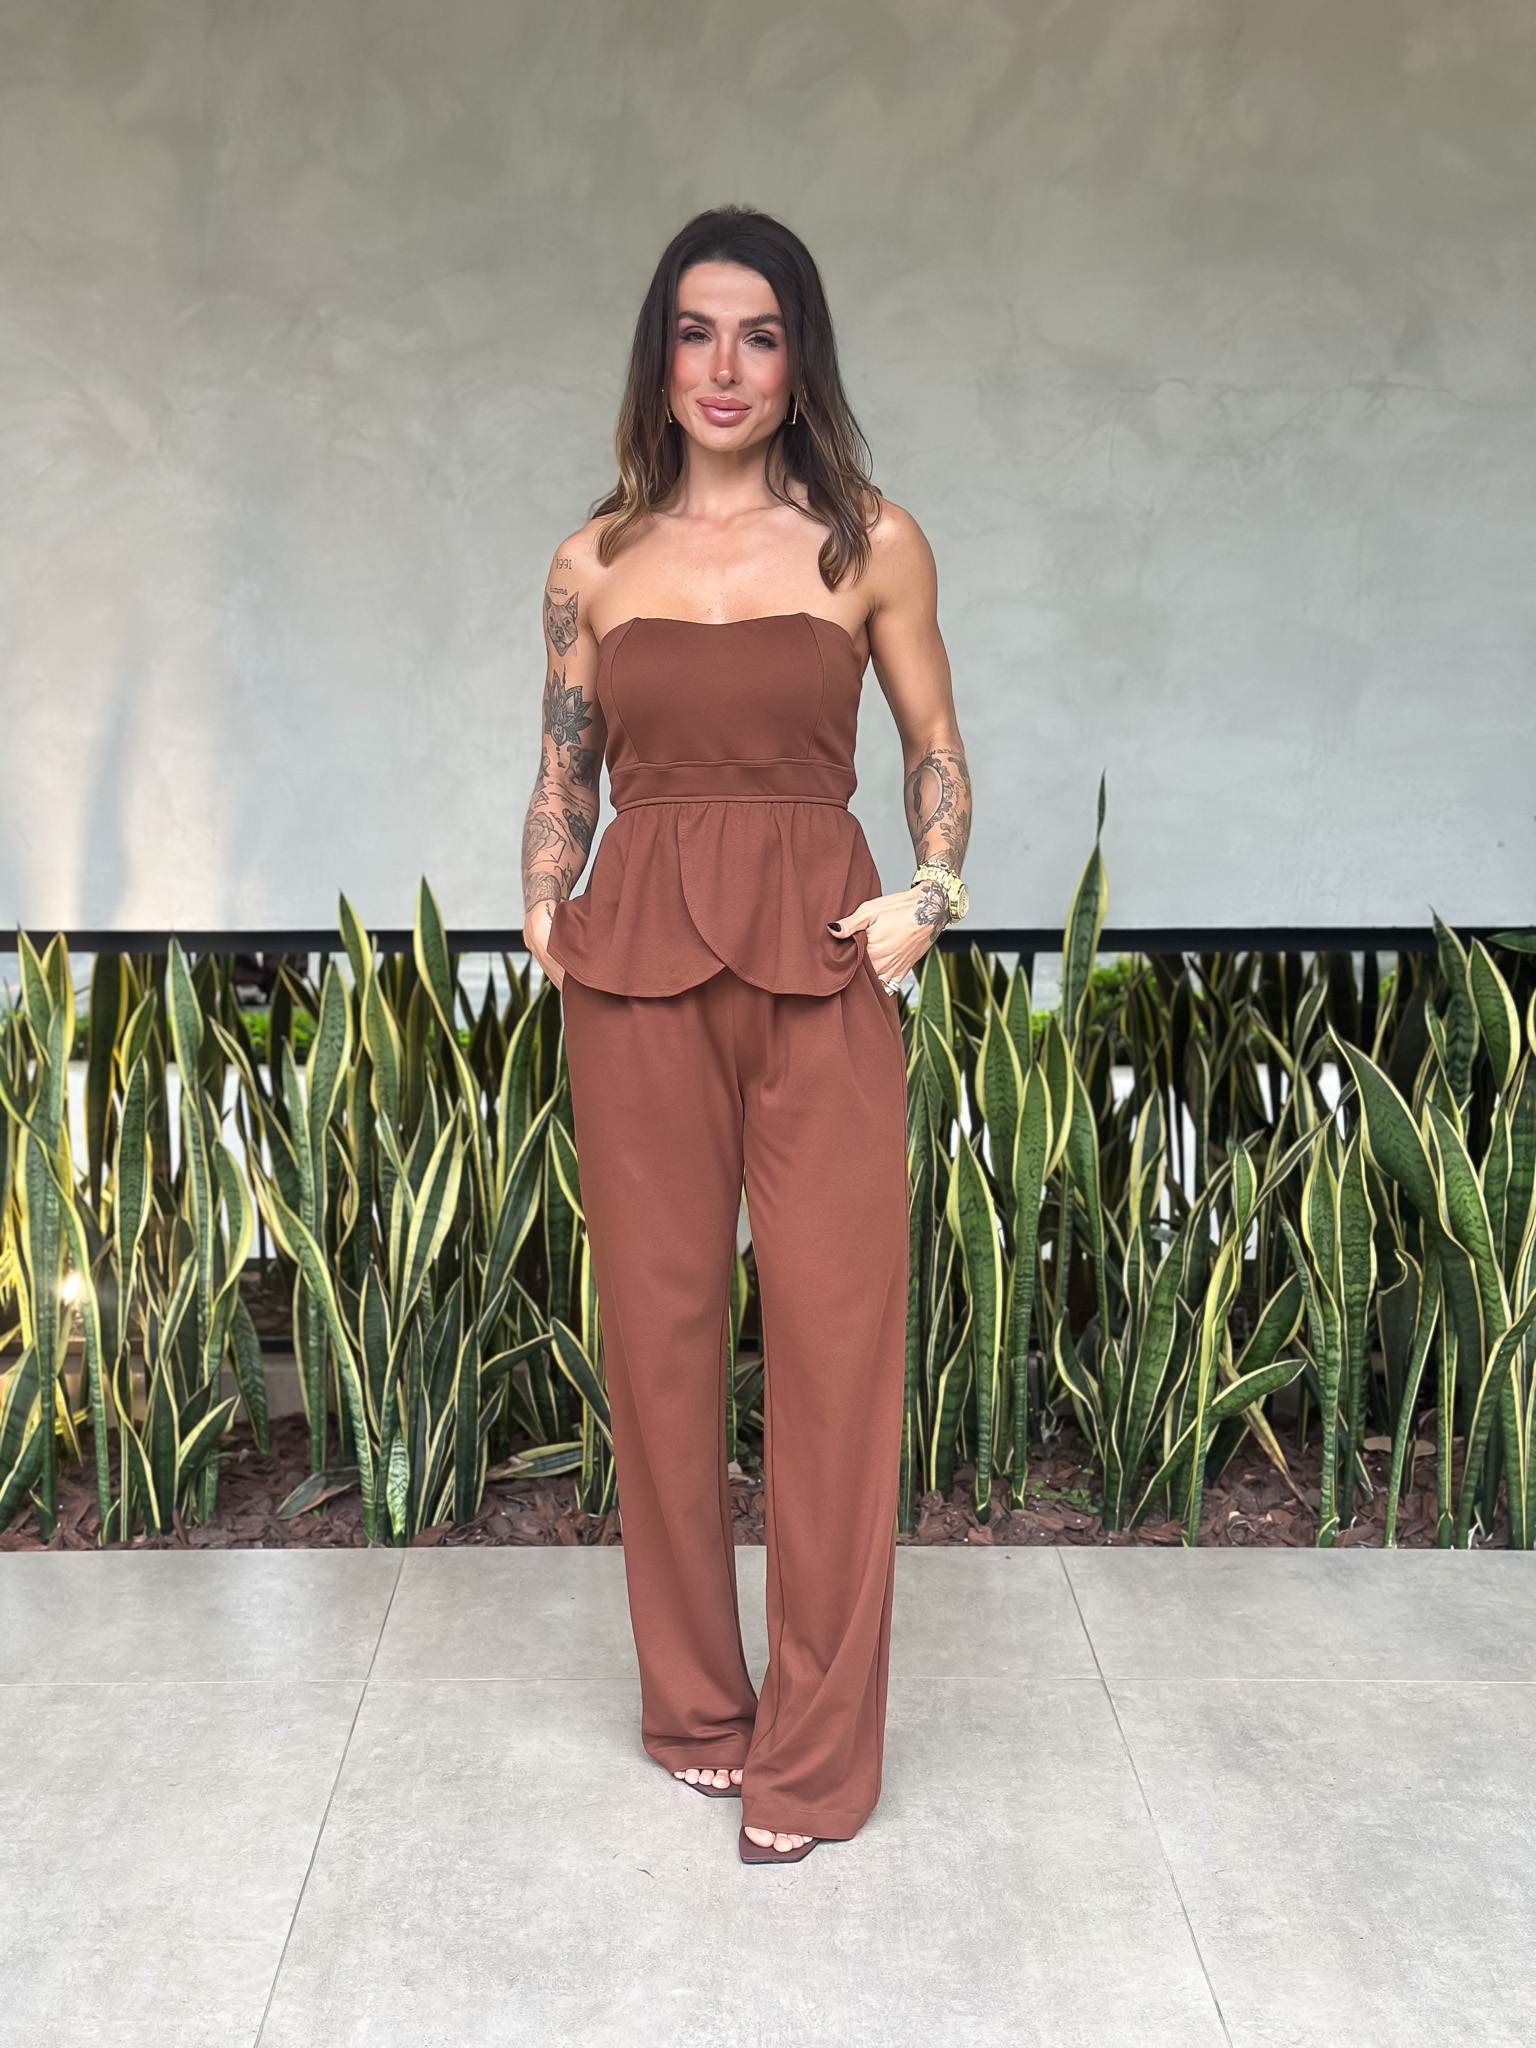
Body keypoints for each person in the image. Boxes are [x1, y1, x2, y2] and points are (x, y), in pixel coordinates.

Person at [519, 205, 972, 1865]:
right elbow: (564, 769)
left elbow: (936, 749)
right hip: (634, 976)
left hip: (825, 963)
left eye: (761, 334)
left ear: (801, 359)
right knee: (658, 1344)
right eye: (697, 331)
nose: (726, 366)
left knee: (840, 1351)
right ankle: (697, 1707)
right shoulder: (592, 562)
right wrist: (544, 898)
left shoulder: (873, 544)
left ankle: (819, 1754)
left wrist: (932, 892)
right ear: (661, 355)